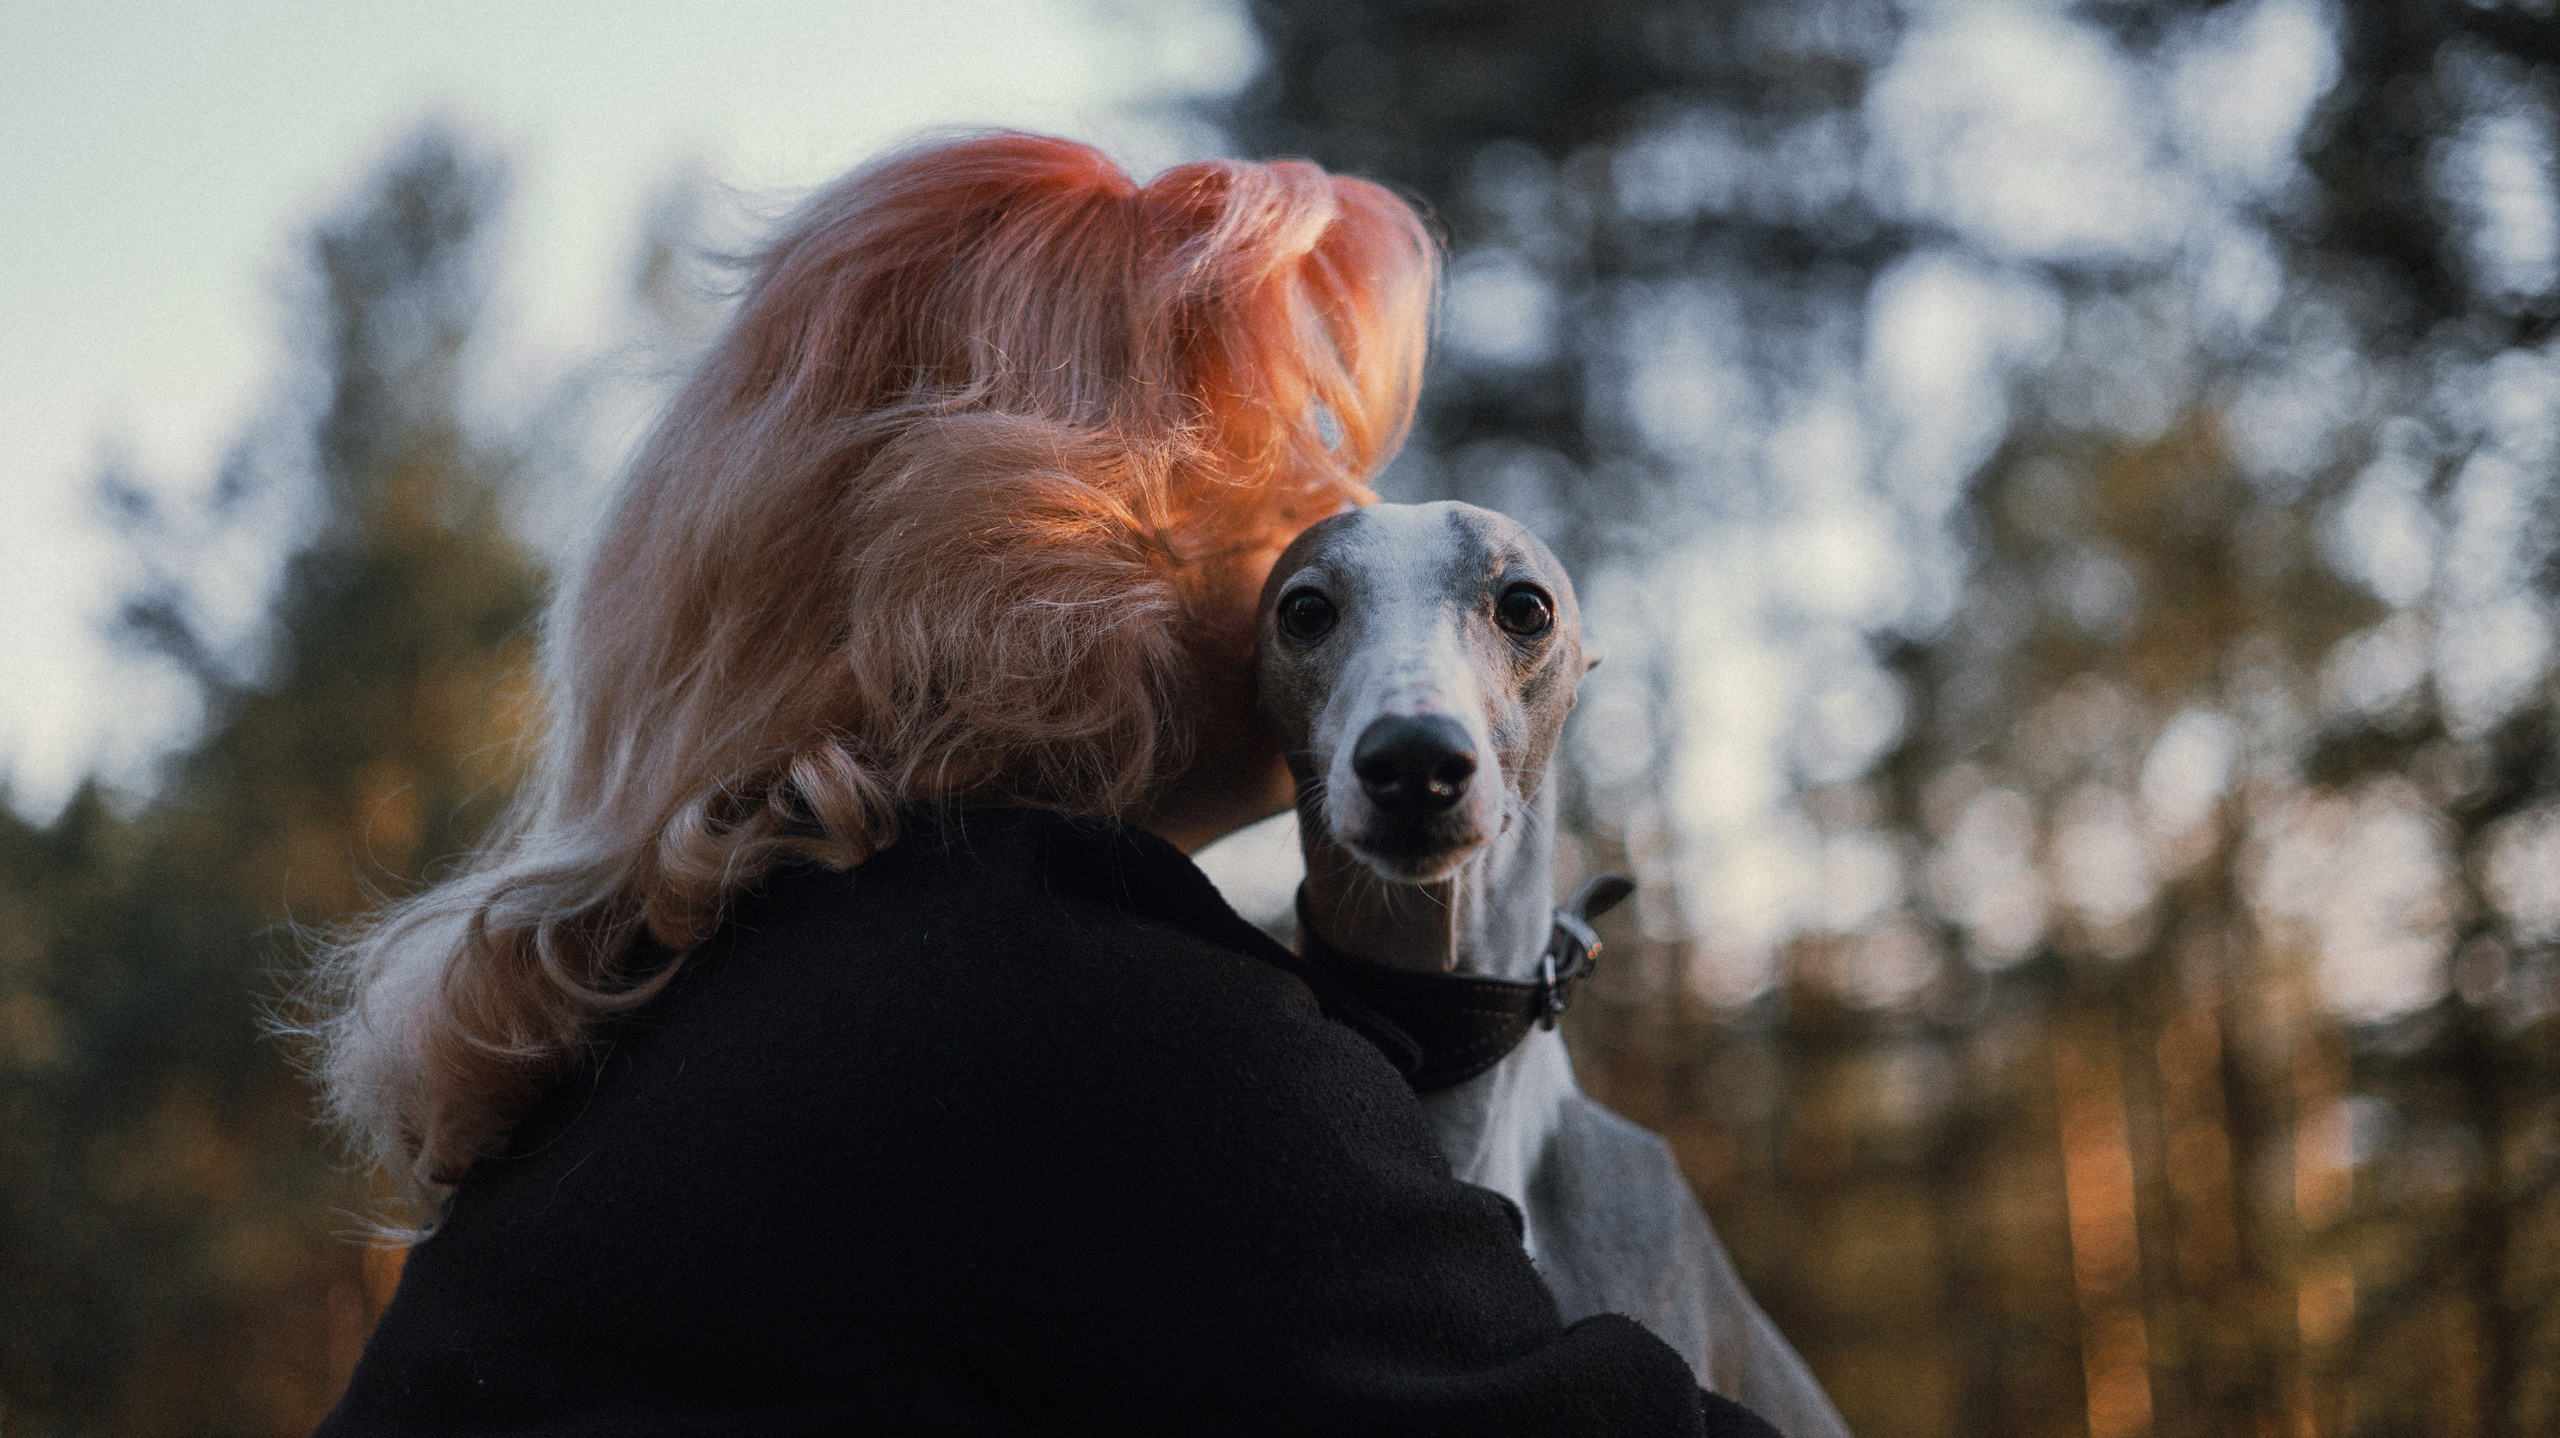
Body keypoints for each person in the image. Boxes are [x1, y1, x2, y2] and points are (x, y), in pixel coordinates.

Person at [305, 131, 1780, 1436]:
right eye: (1292, 465)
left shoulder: (724, 999)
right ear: (1057, 539)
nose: (1351, 512)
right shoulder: (1101, 1035)